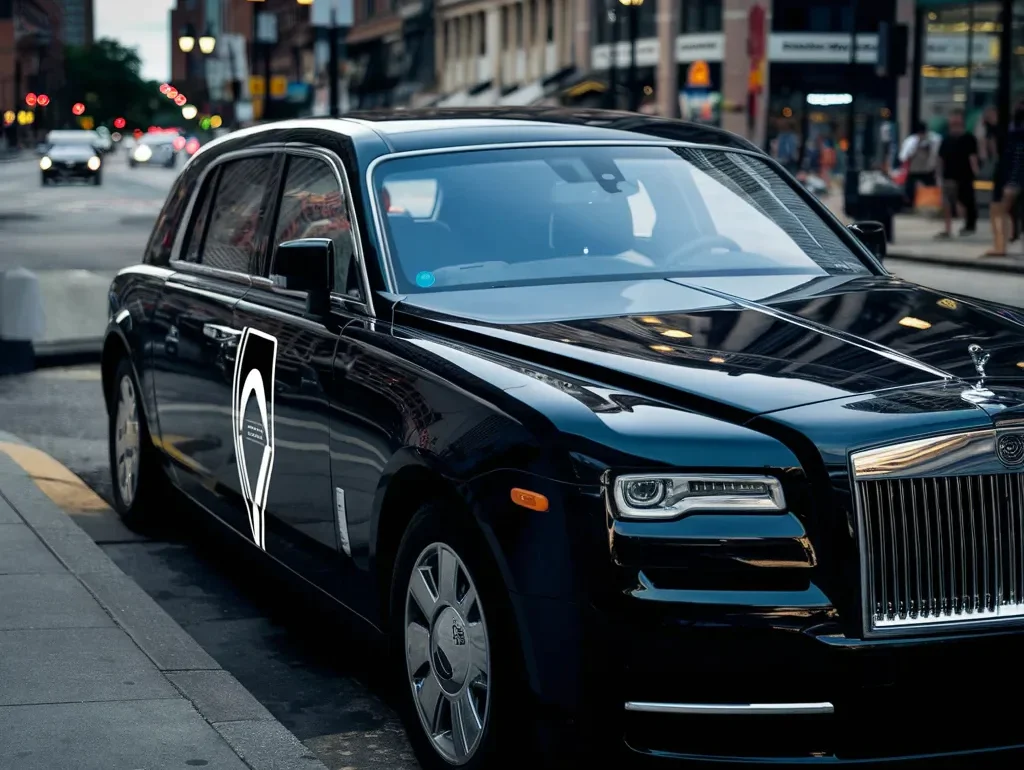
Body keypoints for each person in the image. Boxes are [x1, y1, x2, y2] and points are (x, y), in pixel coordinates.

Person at [984, 106, 1024, 257]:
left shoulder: (1016, 133)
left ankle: (1000, 246)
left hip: (1009, 178)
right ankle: (1001, 245)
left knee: (999, 210)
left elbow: (1017, 158)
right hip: (1008, 176)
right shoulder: (1011, 132)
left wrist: (1013, 182)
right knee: (1002, 211)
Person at [936, 109, 979, 238]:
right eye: (952, 117)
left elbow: (973, 156)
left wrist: (975, 171)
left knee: (964, 201)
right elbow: (940, 158)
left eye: (957, 118)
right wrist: (938, 174)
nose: (954, 120)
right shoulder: (946, 139)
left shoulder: (969, 138)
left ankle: (967, 224)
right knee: (947, 202)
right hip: (949, 174)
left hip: (965, 175)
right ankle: (948, 228)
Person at [899, 122, 939, 207]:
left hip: (927, 169)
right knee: (909, 189)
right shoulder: (911, 141)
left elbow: (935, 153)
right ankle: (909, 205)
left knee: (931, 188)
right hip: (913, 169)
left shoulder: (933, 139)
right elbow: (903, 156)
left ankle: (931, 204)